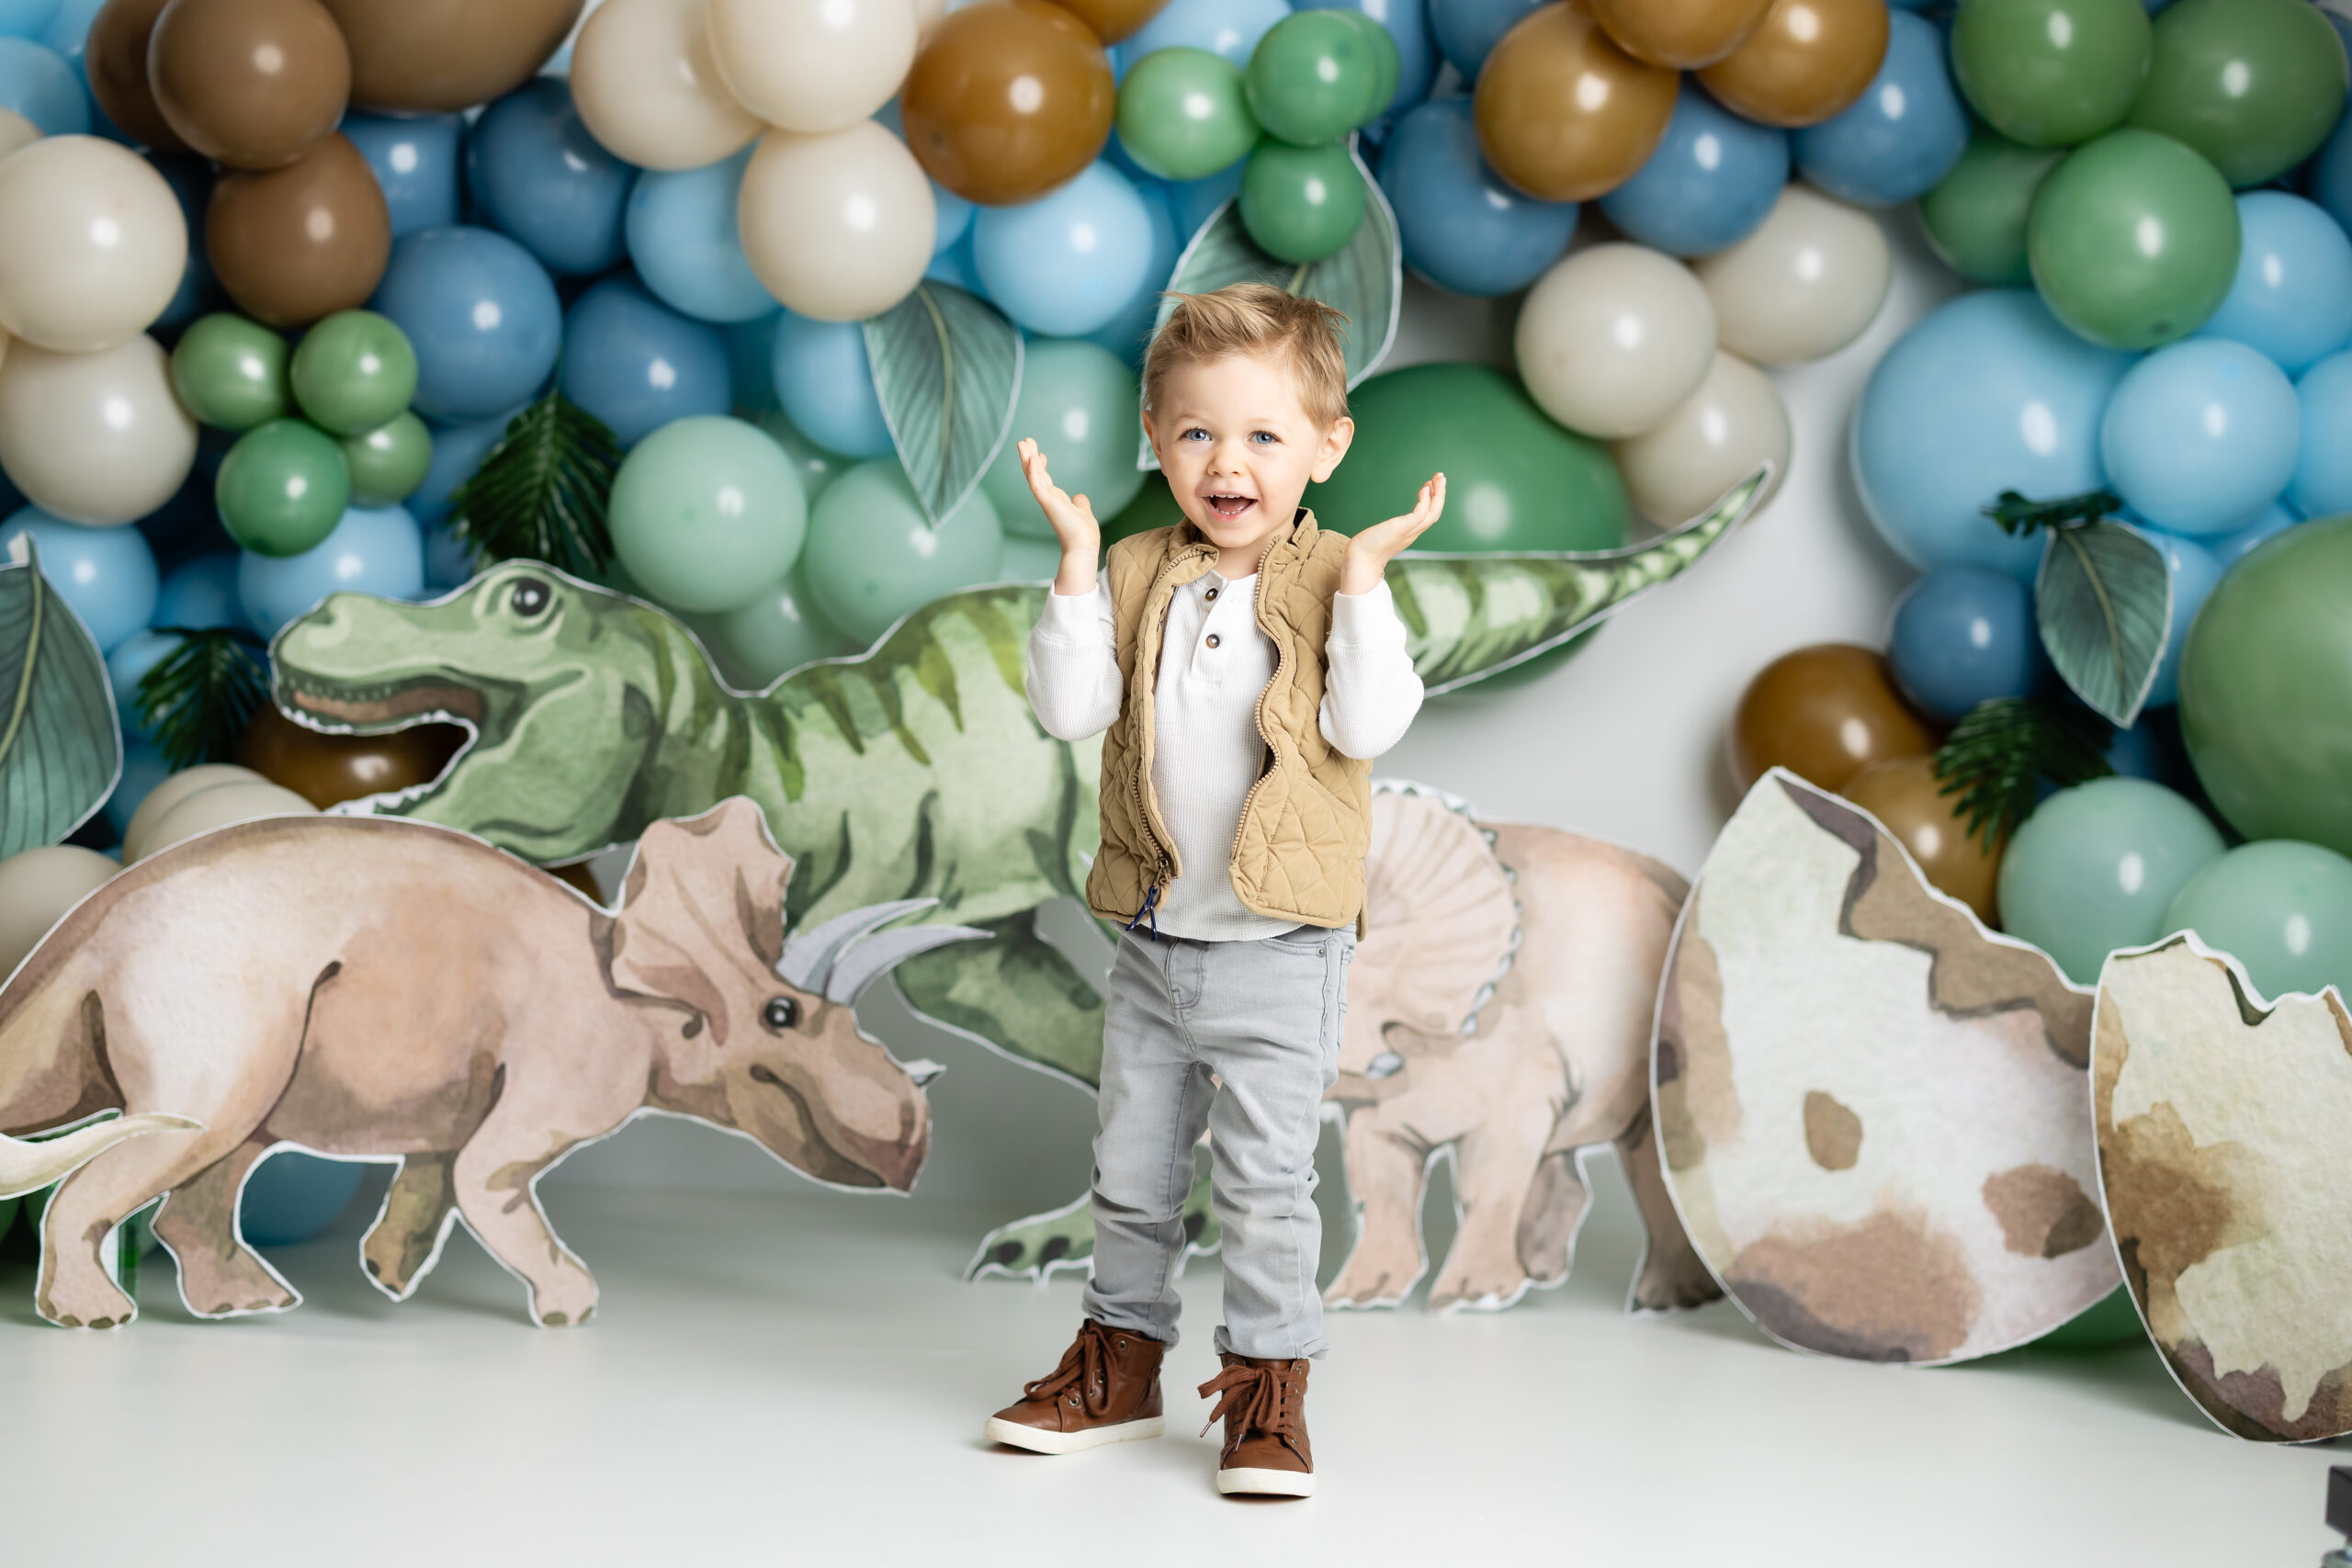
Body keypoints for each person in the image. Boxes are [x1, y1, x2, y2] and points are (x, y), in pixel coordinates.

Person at [982, 282, 1444, 1498]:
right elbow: (1070, 710)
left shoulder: (1335, 570)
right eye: (1196, 433)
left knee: (1264, 1182)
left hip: (1279, 947)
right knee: (1130, 1172)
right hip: (1152, 941)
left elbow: (1367, 720)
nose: (1225, 462)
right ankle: (1120, 1365)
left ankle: (1268, 1389)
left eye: (1261, 436)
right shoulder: (1139, 571)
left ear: (1325, 447)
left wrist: (1364, 590)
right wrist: (1077, 571)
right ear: (1155, 437)